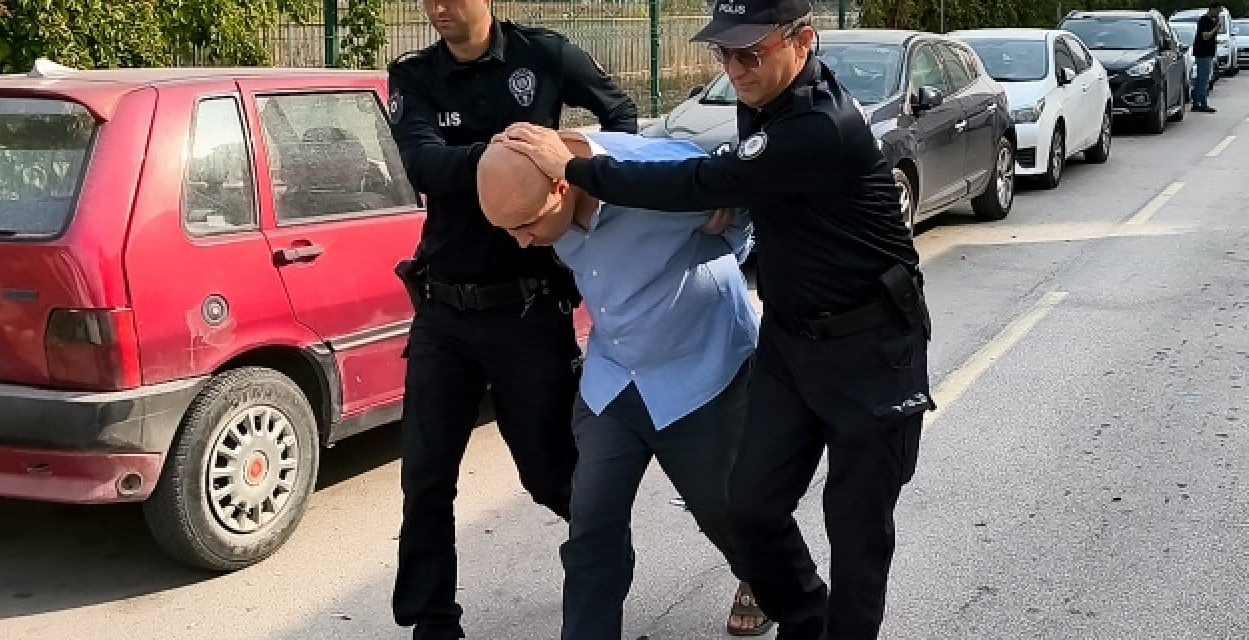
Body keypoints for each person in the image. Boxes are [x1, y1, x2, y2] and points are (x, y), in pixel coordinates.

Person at [497, 0, 933, 636]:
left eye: (749, 52)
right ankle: (806, 617)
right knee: (750, 508)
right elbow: (739, 179)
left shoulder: (823, 125)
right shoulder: (765, 99)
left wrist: (579, 168)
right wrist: (737, 194)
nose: (735, 69)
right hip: (788, 341)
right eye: (724, 53)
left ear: (803, 41)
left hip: (870, 348)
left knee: (857, 531)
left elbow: (698, 182)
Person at [384, 0, 638, 637]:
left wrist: (580, 176)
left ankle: (604, 570)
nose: (438, 7)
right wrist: (516, 160)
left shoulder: (542, 56)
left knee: (552, 474)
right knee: (426, 476)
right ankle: (431, 623)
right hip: (443, 311)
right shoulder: (415, 75)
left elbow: (621, 113)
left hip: (528, 309)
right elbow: (424, 164)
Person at [476, 131, 772, 637]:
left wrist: (728, 222)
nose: (521, 242)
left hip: (701, 374)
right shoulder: (533, 185)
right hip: (613, 379)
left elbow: (750, 198)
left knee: (723, 511)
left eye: (526, 226)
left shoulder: (654, 175)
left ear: (562, 188)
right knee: (591, 527)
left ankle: (764, 578)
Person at [1193, 3, 1222, 113]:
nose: (1218, 14)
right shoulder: (1204, 20)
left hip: (1206, 53)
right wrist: (1216, 28)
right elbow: (1205, 36)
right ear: (1212, 9)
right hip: (1203, 54)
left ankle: (1196, 103)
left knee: (1200, 79)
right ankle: (1203, 104)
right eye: (1217, 11)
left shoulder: (1210, 21)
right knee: (1203, 80)